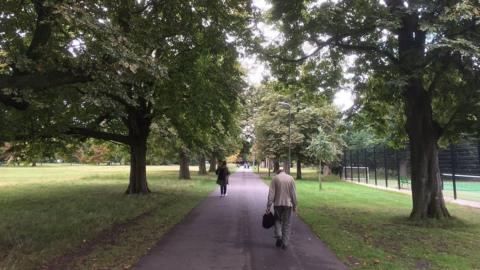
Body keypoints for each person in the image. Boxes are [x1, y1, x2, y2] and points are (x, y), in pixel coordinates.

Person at [266, 168, 297, 249]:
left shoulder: (275, 178)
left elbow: (271, 194)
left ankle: (279, 235)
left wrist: (268, 206)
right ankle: (285, 243)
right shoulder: (291, 178)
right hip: (288, 204)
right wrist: (295, 205)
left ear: (278, 172)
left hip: (278, 204)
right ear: (284, 172)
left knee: (277, 220)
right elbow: (293, 193)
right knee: (287, 223)